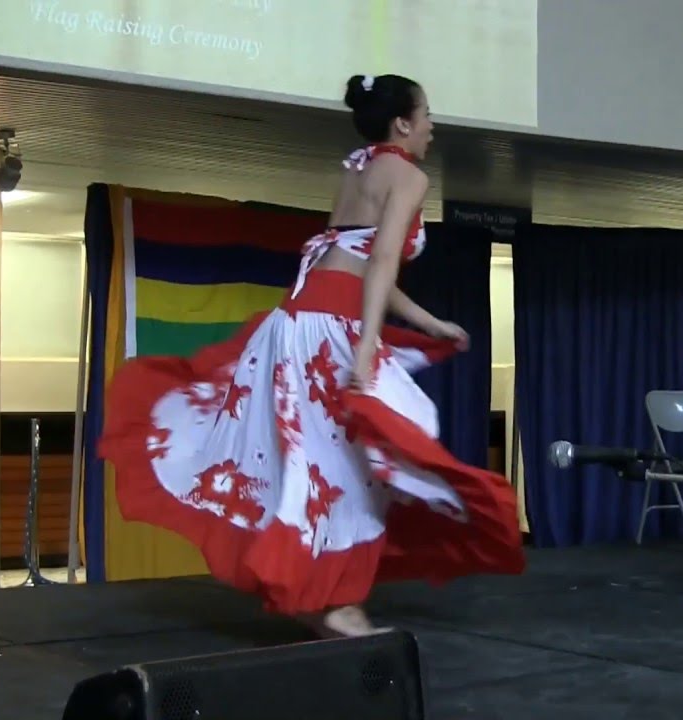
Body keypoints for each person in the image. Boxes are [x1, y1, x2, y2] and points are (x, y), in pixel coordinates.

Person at [98, 73, 527, 638]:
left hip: (299, 321)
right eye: (427, 114)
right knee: (362, 454)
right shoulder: (407, 175)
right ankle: (335, 599)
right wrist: (369, 343)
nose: (432, 124)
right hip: (330, 328)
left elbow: (357, 260)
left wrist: (428, 322)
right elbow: (376, 266)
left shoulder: (356, 169)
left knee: (333, 456)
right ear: (403, 123)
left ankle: (324, 590)